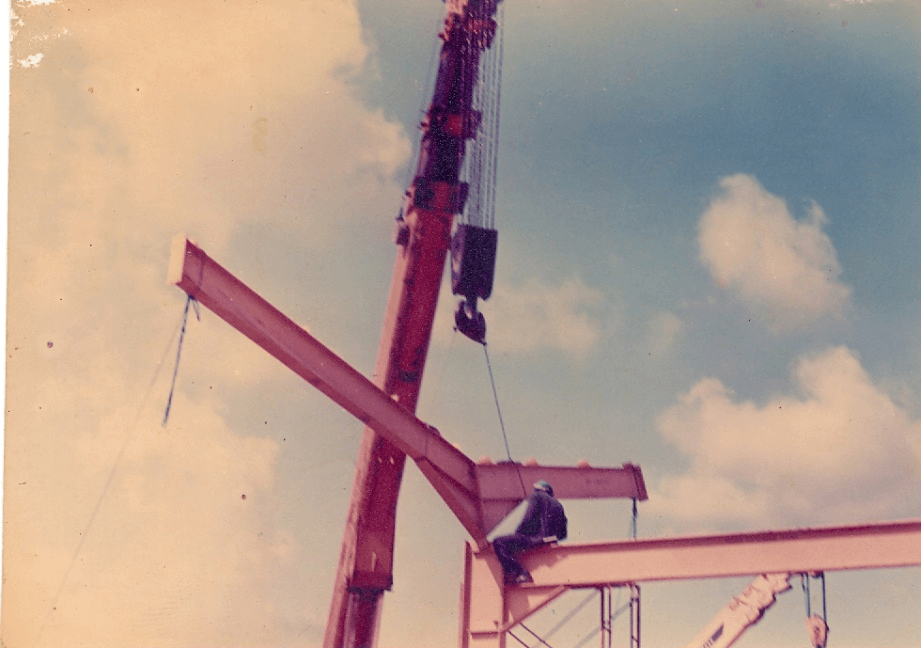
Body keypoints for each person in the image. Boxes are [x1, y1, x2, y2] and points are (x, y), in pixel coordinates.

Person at [492, 480, 567, 585]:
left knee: (499, 542)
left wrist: (518, 534)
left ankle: (519, 573)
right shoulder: (558, 504)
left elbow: (529, 518)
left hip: (535, 539)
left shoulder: (537, 495)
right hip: (549, 540)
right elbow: (563, 534)